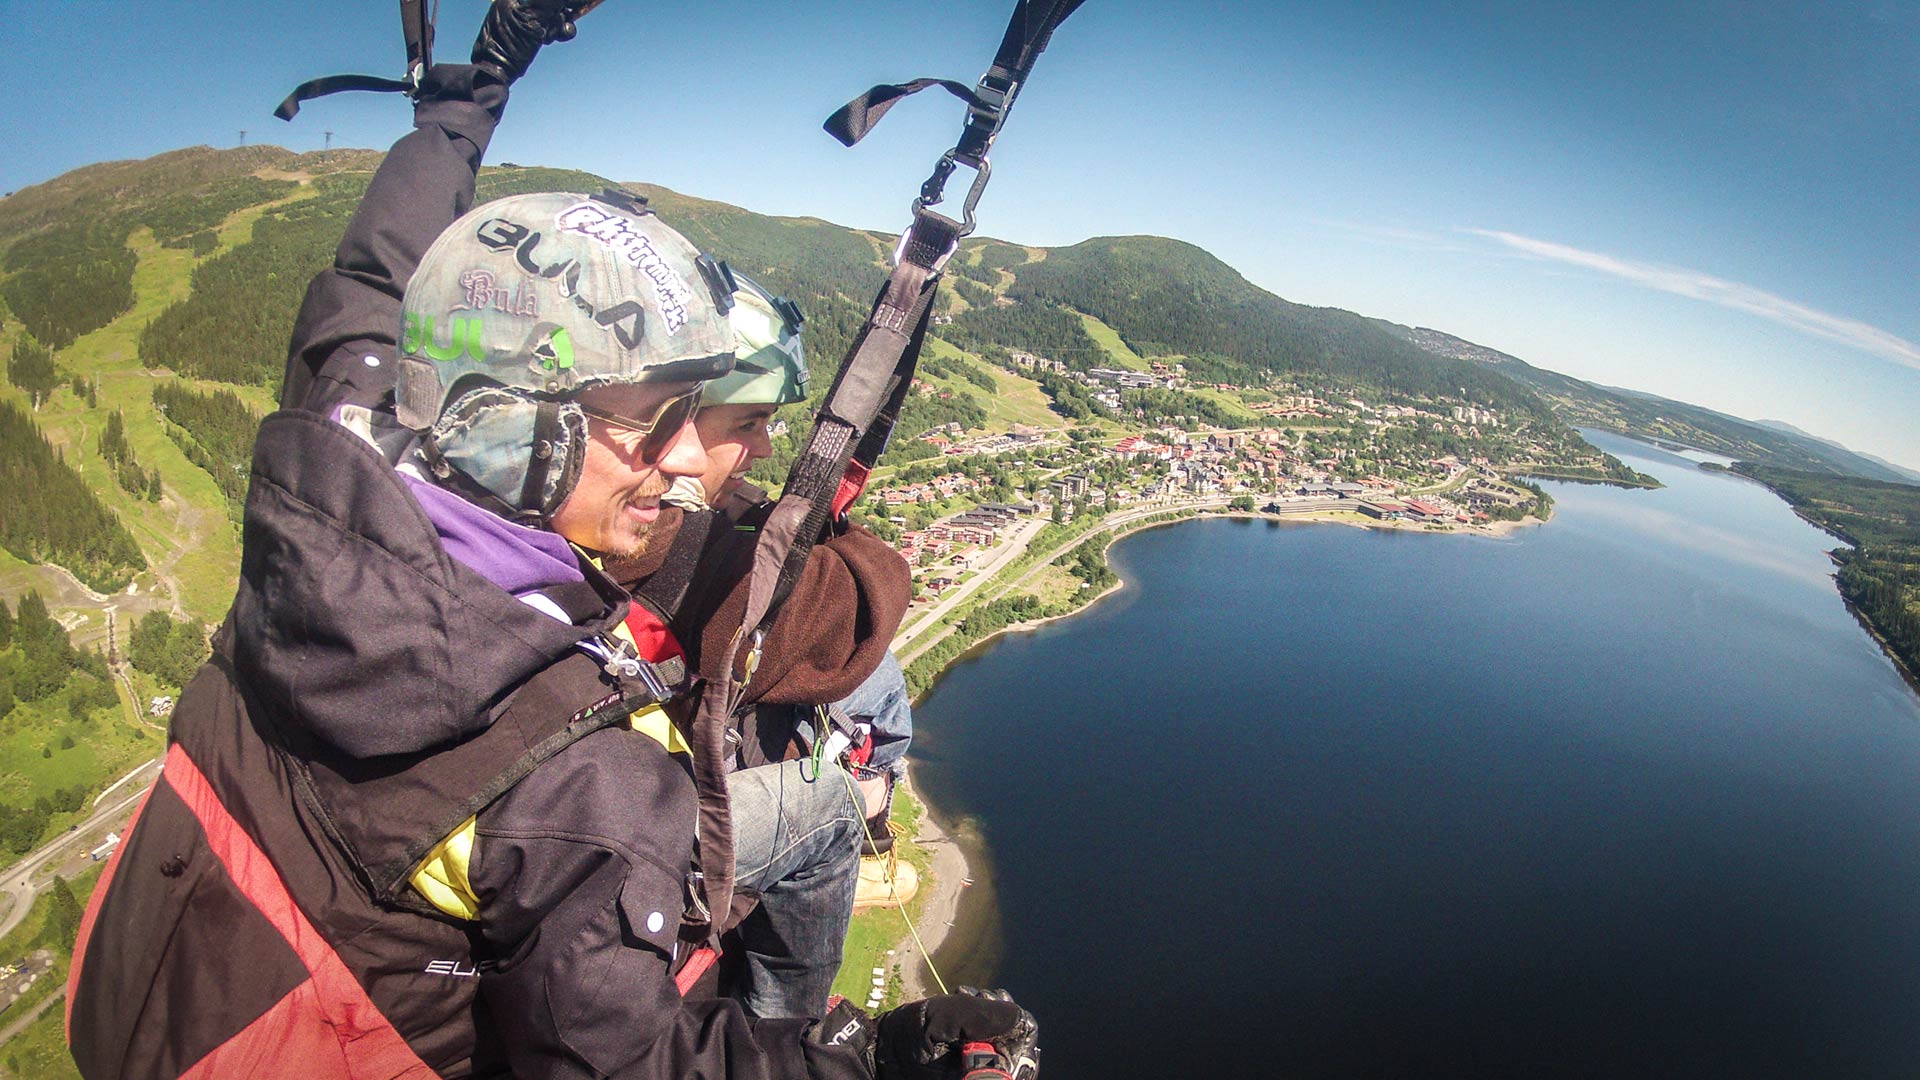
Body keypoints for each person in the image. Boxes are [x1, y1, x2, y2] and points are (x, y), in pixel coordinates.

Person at [66, 2, 1033, 1077]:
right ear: (521, 433)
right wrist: (861, 1059)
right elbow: (630, 1066)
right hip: (299, 1030)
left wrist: (477, 86)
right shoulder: (577, 787)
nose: (680, 466)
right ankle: (779, 1000)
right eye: (648, 423)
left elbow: (380, 270)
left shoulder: (329, 455)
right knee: (816, 812)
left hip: (150, 982)